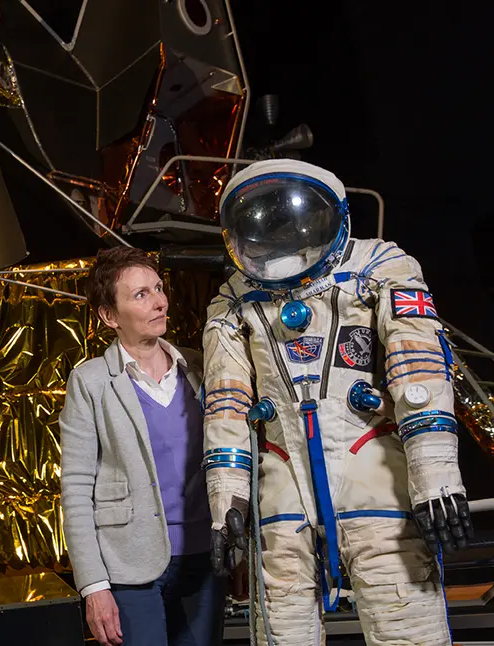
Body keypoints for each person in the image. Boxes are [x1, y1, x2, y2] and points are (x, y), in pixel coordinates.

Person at [202, 158, 473, 645]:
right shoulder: (233, 300)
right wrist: (226, 501)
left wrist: (435, 476)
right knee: (282, 626)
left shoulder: (380, 266)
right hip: (282, 480)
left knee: (405, 622)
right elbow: (226, 404)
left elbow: (418, 370)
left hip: (372, 468)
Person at [60, 246, 226, 646]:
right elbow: (77, 490)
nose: (160, 301)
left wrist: (236, 550)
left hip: (203, 558)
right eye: (141, 294)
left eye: (158, 288)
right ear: (109, 316)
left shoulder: (200, 368)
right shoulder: (91, 382)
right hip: (130, 564)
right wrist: (93, 586)